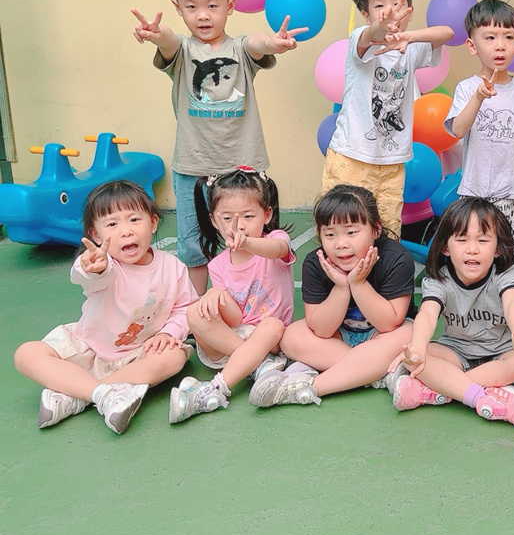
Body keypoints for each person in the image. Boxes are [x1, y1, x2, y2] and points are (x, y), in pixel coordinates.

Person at [131, 0, 306, 296]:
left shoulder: (240, 50)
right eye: (191, 6)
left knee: (248, 240)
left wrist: (272, 43)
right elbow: (168, 40)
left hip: (243, 169)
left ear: (230, 5)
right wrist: (156, 34)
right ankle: (195, 307)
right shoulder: (182, 52)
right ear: (178, 8)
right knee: (193, 246)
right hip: (192, 168)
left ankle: (254, 301)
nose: (203, 15)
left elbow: (257, 43)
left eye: (212, 5)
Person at [14, 181, 194, 434]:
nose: (126, 231)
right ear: (96, 235)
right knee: (26, 354)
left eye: (134, 220)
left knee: (174, 358)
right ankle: (103, 394)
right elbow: (89, 275)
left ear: (153, 223)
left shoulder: (173, 267)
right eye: (112, 224)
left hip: (140, 353)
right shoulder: (103, 265)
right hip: (90, 347)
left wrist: (168, 333)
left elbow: (185, 307)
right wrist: (93, 266)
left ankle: (79, 394)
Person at [249, 185, 416, 409]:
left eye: (351, 232)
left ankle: (311, 386)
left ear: (376, 229)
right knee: (291, 336)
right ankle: (375, 372)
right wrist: (341, 287)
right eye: (329, 234)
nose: (341, 244)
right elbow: (321, 329)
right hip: (338, 338)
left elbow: (389, 323)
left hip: (382, 336)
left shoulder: (396, 258)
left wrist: (358, 283)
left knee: (409, 334)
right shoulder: (315, 262)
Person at [321, 0, 454, 236]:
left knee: (389, 231)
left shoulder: (411, 46)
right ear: (366, 14)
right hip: (351, 158)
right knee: (344, 231)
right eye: (379, 6)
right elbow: (374, 32)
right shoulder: (361, 39)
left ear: (409, 10)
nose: (389, 12)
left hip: (392, 163)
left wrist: (410, 36)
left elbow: (447, 33)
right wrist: (382, 27)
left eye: (397, 4)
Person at [392, 198, 514, 430]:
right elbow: (428, 314)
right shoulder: (438, 280)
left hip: (499, 352)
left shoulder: (506, 275)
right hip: (455, 351)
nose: (472, 248)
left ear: (498, 248)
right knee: (415, 358)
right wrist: (419, 348)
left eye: (483, 240)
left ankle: (443, 388)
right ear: (445, 247)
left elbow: (512, 303)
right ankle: (485, 397)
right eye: (462, 239)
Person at [168, 167, 293, 423]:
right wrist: (215, 295)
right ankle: (258, 366)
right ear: (214, 220)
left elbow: (278, 249)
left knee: (272, 325)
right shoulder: (217, 265)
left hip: (271, 340)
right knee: (195, 311)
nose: (239, 225)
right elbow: (235, 319)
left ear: (267, 214)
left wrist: (248, 243)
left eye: (248, 216)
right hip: (231, 342)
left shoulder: (275, 240)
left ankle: (215, 387)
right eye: (227, 218)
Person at [445, 0, 514, 279]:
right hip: (476, 193)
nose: (500, 46)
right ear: (472, 45)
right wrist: (478, 97)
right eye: (490, 38)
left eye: (508, 37)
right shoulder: (466, 88)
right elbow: (458, 129)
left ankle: (513, 305)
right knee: (475, 260)